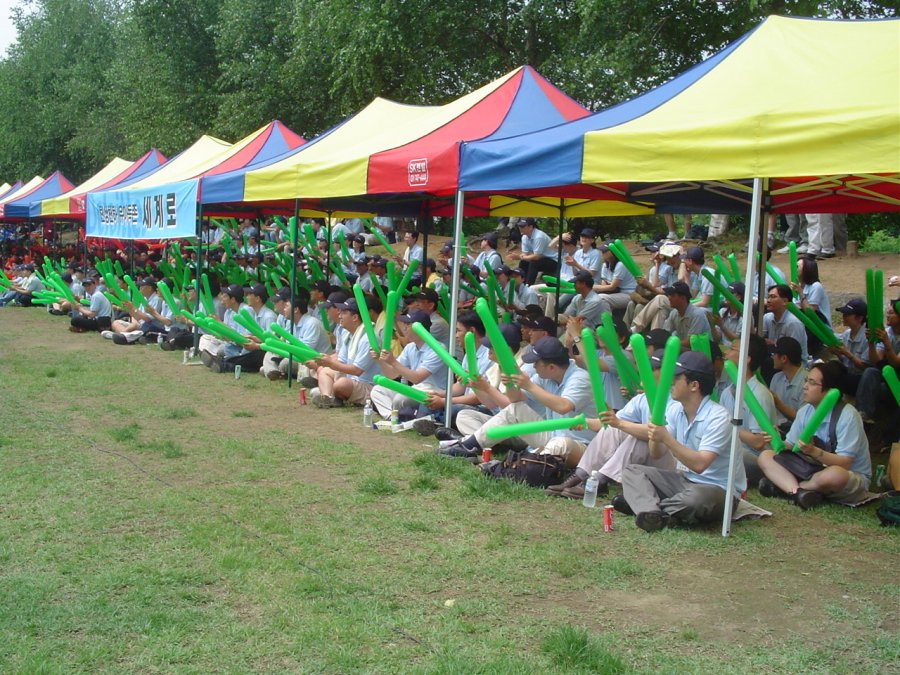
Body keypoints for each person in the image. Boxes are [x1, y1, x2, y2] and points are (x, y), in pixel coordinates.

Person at [619, 351, 747, 532]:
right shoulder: (675, 410)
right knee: (632, 471)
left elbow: (700, 464)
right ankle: (652, 512)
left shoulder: (718, 417)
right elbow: (656, 453)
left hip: (718, 490)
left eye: (677, 377)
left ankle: (648, 508)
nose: (670, 381)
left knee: (695, 499)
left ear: (694, 385)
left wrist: (665, 437)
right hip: (685, 481)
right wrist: (655, 430)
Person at [440, 336, 594, 465]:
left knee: (560, 445)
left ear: (552, 367)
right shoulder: (547, 377)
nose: (533, 366)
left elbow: (563, 406)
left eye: (536, 363)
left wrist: (528, 385)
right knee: (516, 409)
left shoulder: (580, 378)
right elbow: (516, 401)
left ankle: (516, 465)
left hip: (580, 447)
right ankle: (468, 446)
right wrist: (510, 384)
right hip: (553, 435)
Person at [757, 361, 872, 509]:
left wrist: (813, 451)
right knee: (766, 456)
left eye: (812, 383)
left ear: (829, 390)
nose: (805, 387)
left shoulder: (848, 415)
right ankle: (799, 492)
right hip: (812, 470)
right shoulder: (805, 411)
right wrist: (776, 439)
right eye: (806, 381)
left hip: (848, 475)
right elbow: (791, 447)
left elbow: (845, 463)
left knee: (835, 475)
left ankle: (787, 488)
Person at [718, 334, 776, 487]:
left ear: (747, 358)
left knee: (732, 454)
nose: (726, 353)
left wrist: (727, 427)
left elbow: (758, 442)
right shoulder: (727, 391)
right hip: (731, 447)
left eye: (732, 349)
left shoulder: (759, 394)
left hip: (754, 457)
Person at [370, 310, 448, 419]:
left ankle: (397, 418)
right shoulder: (410, 347)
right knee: (378, 390)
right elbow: (392, 375)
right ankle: (391, 417)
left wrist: (393, 361)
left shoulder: (438, 348)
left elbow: (417, 378)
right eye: (405, 324)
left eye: (408, 324)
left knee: (400, 398)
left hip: (434, 392)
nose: (405, 328)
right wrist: (379, 360)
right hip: (415, 388)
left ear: (420, 328)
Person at [310, 298, 378, 408]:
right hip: (351, 379)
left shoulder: (368, 338)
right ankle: (328, 398)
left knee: (342, 384)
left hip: (369, 385)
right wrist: (323, 362)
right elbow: (341, 360)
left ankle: (332, 393)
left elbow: (357, 370)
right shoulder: (349, 334)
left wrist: (331, 363)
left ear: (355, 317)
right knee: (324, 371)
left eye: (344, 313)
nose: (340, 315)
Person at [769, 337, 808, 432]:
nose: (772, 357)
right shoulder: (776, 378)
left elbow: (804, 419)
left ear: (784, 358)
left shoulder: (807, 382)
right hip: (776, 429)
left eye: (774, 354)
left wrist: (778, 403)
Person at [762, 284, 809, 361]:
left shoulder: (793, 323)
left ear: (785, 301)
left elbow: (792, 352)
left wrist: (773, 343)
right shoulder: (767, 317)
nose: (768, 300)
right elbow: (760, 338)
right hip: (775, 358)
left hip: (793, 364)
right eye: (768, 297)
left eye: (773, 297)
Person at [661, 281, 709, 350]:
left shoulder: (697, 315)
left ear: (683, 298)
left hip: (699, 353)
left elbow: (691, 342)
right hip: (684, 350)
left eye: (673, 296)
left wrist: (670, 345)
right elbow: (665, 333)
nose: (669, 298)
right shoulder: (674, 313)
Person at [593, 244, 637, 316]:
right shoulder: (605, 265)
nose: (602, 253)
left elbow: (612, 287)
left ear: (613, 252)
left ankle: (609, 324)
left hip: (629, 294)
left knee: (602, 298)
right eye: (602, 251)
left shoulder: (620, 264)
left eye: (605, 251)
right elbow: (604, 285)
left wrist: (593, 287)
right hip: (616, 293)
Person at [508, 218, 555, 285]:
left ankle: (528, 286)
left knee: (534, 263)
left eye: (523, 226)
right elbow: (525, 254)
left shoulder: (539, 236)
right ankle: (520, 284)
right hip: (542, 258)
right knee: (524, 262)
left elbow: (536, 257)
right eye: (519, 226)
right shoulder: (524, 237)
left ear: (530, 227)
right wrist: (522, 257)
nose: (520, 228)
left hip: (553, 260)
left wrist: (520, 257)